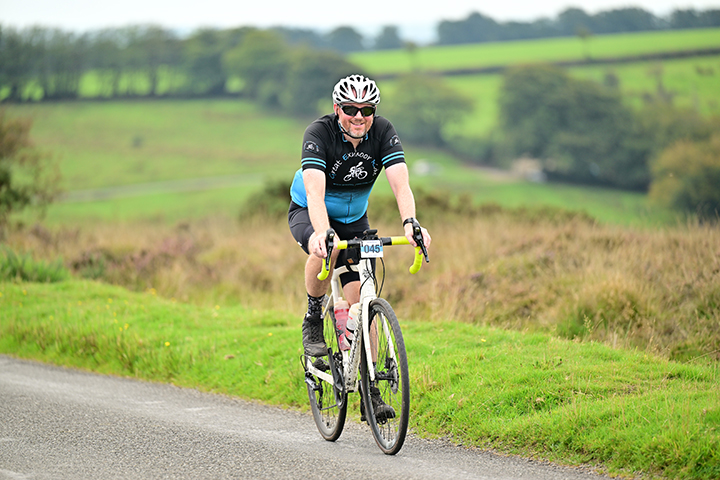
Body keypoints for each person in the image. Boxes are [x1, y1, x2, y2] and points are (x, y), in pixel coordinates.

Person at [288, 73, 431, 357]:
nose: (358, 117)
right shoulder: (318, 134)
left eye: (366, 110)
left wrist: (410, 223)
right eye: (350, 109)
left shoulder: (382, 131)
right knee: (323, 252)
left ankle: (372, 388)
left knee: (364, 303)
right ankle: (313, 316)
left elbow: (401, 184)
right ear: (337, 108)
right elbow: (315, 193)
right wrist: (322, 232)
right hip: (310, 210)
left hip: (354, 220)